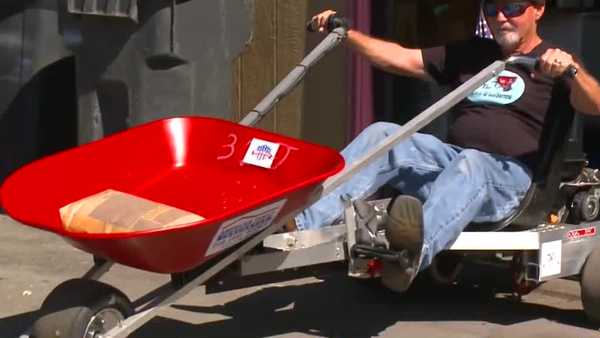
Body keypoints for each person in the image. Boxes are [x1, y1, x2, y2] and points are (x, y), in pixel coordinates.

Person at [291, 0, 600, 291]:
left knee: (473, 163)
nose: (501, 16)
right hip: (453, 163)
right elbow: (400, 57)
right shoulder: (473, 54)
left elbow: (594, 104)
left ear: (538, 9)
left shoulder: (554, 63)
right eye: (491, 7)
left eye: (512, 6)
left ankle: (409, 257)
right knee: (384, 134)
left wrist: (571, 71)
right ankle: (299, 224)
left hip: (514, 183)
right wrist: (346, 34)